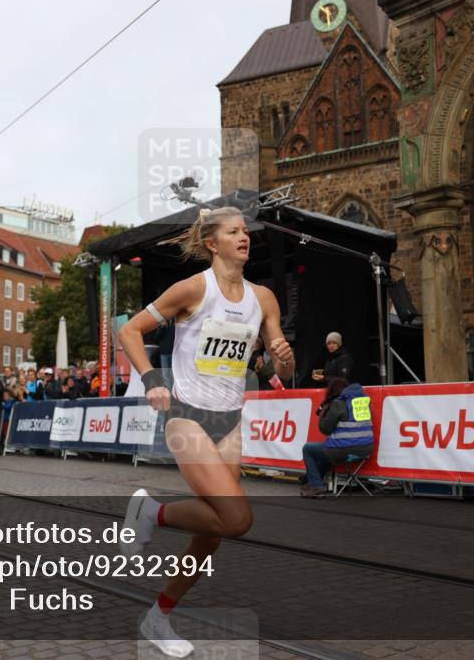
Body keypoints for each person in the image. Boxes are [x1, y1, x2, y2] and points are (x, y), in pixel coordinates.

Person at [117, 206, 293, 658]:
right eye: (233, 232)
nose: (244, 237)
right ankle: (152, 514)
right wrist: (153, 380)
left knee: (212, 534)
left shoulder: (264, 298)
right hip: (187, 414)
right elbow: (132, 332)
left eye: (246, 231)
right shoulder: (194, 288)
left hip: (230, 418)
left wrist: (282, 353)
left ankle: (158, 616)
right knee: (237, 519)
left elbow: (283, 370)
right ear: (213, 243)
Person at [300, 377, 375, 498]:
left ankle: (316, 487)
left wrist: (324, 412)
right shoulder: (363, 401)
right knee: (328, 451)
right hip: (366, 450)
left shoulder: (338, 403)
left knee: (308, 449)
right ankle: (312, 481)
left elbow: (325, 428)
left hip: (344, 450)